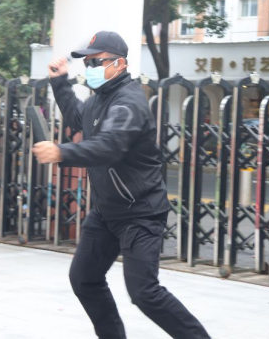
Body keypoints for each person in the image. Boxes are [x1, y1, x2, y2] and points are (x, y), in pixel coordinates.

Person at [32, 31, 210, 339]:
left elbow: (110, 146)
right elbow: (77, 117)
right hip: (106, 212)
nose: (90, 68)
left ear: (120, 64)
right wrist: (60, 81)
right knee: (84, 279)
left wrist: (61, 152)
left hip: (140, 213)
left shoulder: (129, 102)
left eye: (96, 62)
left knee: (144, 292)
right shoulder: (99, 100)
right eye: (87, 63)